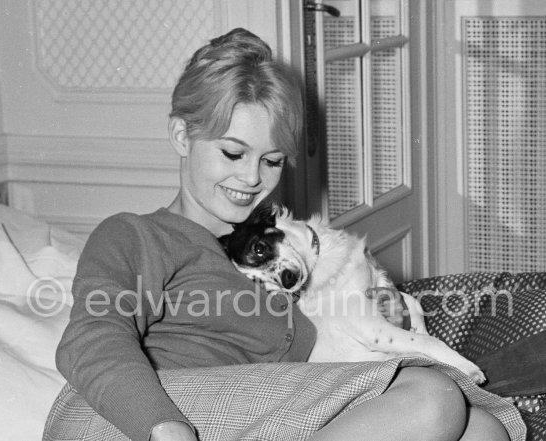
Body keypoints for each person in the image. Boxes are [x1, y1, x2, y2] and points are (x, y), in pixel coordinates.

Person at [48, 28, 515, 441]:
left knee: (483, 430)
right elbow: (92, 336)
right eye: (233, 153)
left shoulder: (273, 255)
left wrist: (385, 302)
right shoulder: (137, 234)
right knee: (433, 400)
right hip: (137, 414)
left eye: (271, 161)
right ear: (180, 136)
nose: (251, 178)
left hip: (253, 411)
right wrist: (163, 426)